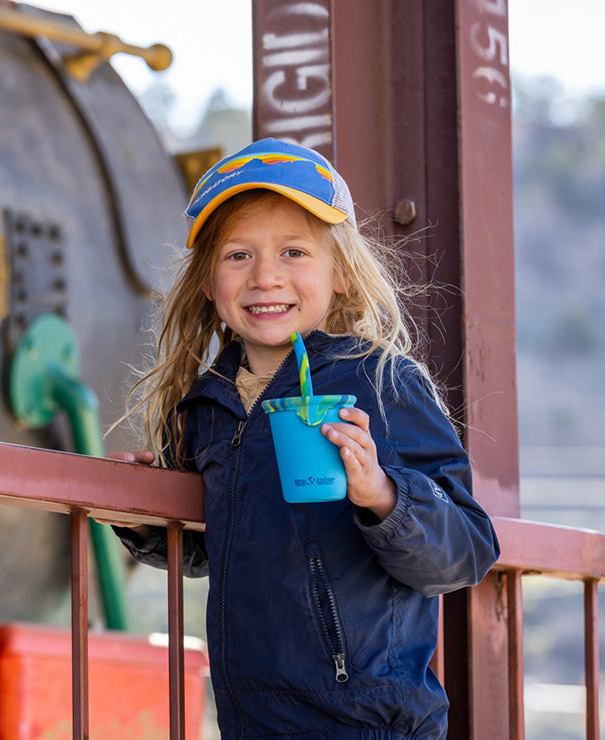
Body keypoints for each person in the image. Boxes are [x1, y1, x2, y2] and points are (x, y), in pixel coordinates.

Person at [110, 137, 499, 739]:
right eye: (238, 256)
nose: (266, 277)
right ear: (210, 284)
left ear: (340, 273)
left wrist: (383, 495)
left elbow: (467, 548)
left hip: (372, 724)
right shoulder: (207, 406)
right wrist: (148, 523)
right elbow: (225, 547)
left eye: (294, 251)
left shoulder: (379, 380)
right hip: (252, 723)